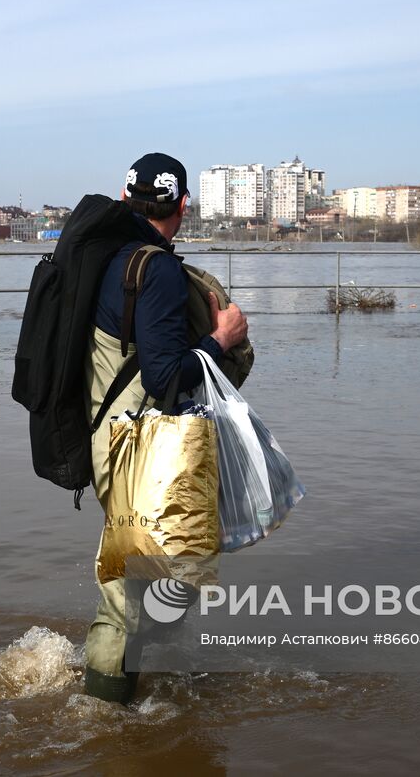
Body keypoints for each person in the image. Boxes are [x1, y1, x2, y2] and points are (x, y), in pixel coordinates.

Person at [82, 152, 249, 703]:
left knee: (167, 571)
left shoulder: (109, 255)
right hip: (141, 447)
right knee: (129, 593)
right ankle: (102, 715)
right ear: (182, 206)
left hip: (112, 437)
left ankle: (125, 691)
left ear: (128, 198)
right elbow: (167, 375)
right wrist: (221, 338)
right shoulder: (157, 270)